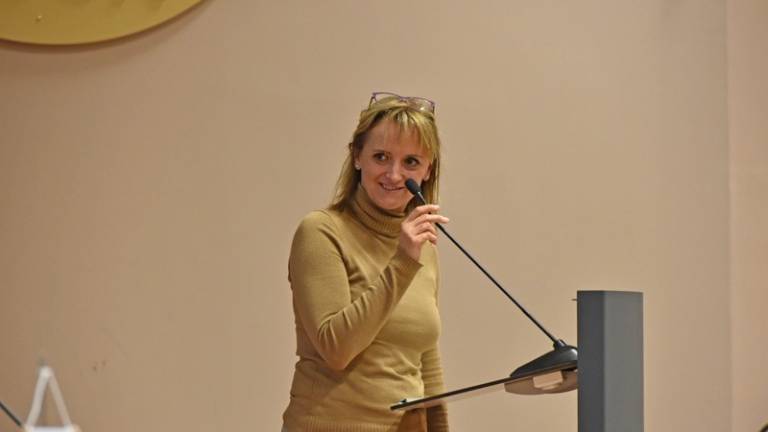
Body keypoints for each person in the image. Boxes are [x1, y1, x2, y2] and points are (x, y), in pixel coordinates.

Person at [281, 92, 450, 432]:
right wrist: (402, 262)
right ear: (357, 156)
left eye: (411, 162)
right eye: (381, 157)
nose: (394, 174)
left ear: (428, 170)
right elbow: (336, 349)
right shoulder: (321, 231)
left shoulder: (421, 244)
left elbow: (425, 357)